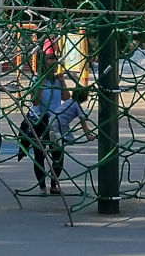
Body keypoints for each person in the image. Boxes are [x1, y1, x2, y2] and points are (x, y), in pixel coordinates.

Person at [20, 52, 70, 195]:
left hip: (54, 120)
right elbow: (35, 101)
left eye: (55, 59)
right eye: (50, 59)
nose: (54, 62)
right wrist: (40, 85)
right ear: (42, 63)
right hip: (39, 119)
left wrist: (62, 82)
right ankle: (42, 186)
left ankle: (54, 184)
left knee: (58, 153)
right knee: (40, 154)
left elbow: (66, 98)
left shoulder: (56, 80)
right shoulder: (36, 79)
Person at [45, 86, 95, 193]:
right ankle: (53, 186)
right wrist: (88, 136)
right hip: (60, 125)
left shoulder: (69, 102)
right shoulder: (77, 106)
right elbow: (83, 122)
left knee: (57, 153)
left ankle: (53, 140)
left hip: (52, 120)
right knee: (59, 159)